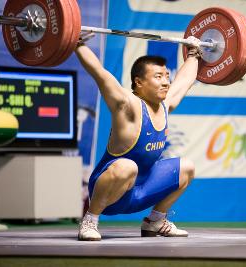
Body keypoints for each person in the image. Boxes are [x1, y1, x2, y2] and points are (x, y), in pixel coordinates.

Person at [74, 33, 202, 241]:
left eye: (166, 76)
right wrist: (77, 44)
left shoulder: (165, 105)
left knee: (186, 167)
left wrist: (195, 54)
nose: (166, 82)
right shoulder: (127, 105)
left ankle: (155, 221)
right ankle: (90, 220)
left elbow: (184, 82)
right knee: (128, 166)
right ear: (139, 82)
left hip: (142, 189)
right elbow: (99, 73)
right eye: (158, 77)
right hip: (111, 195)